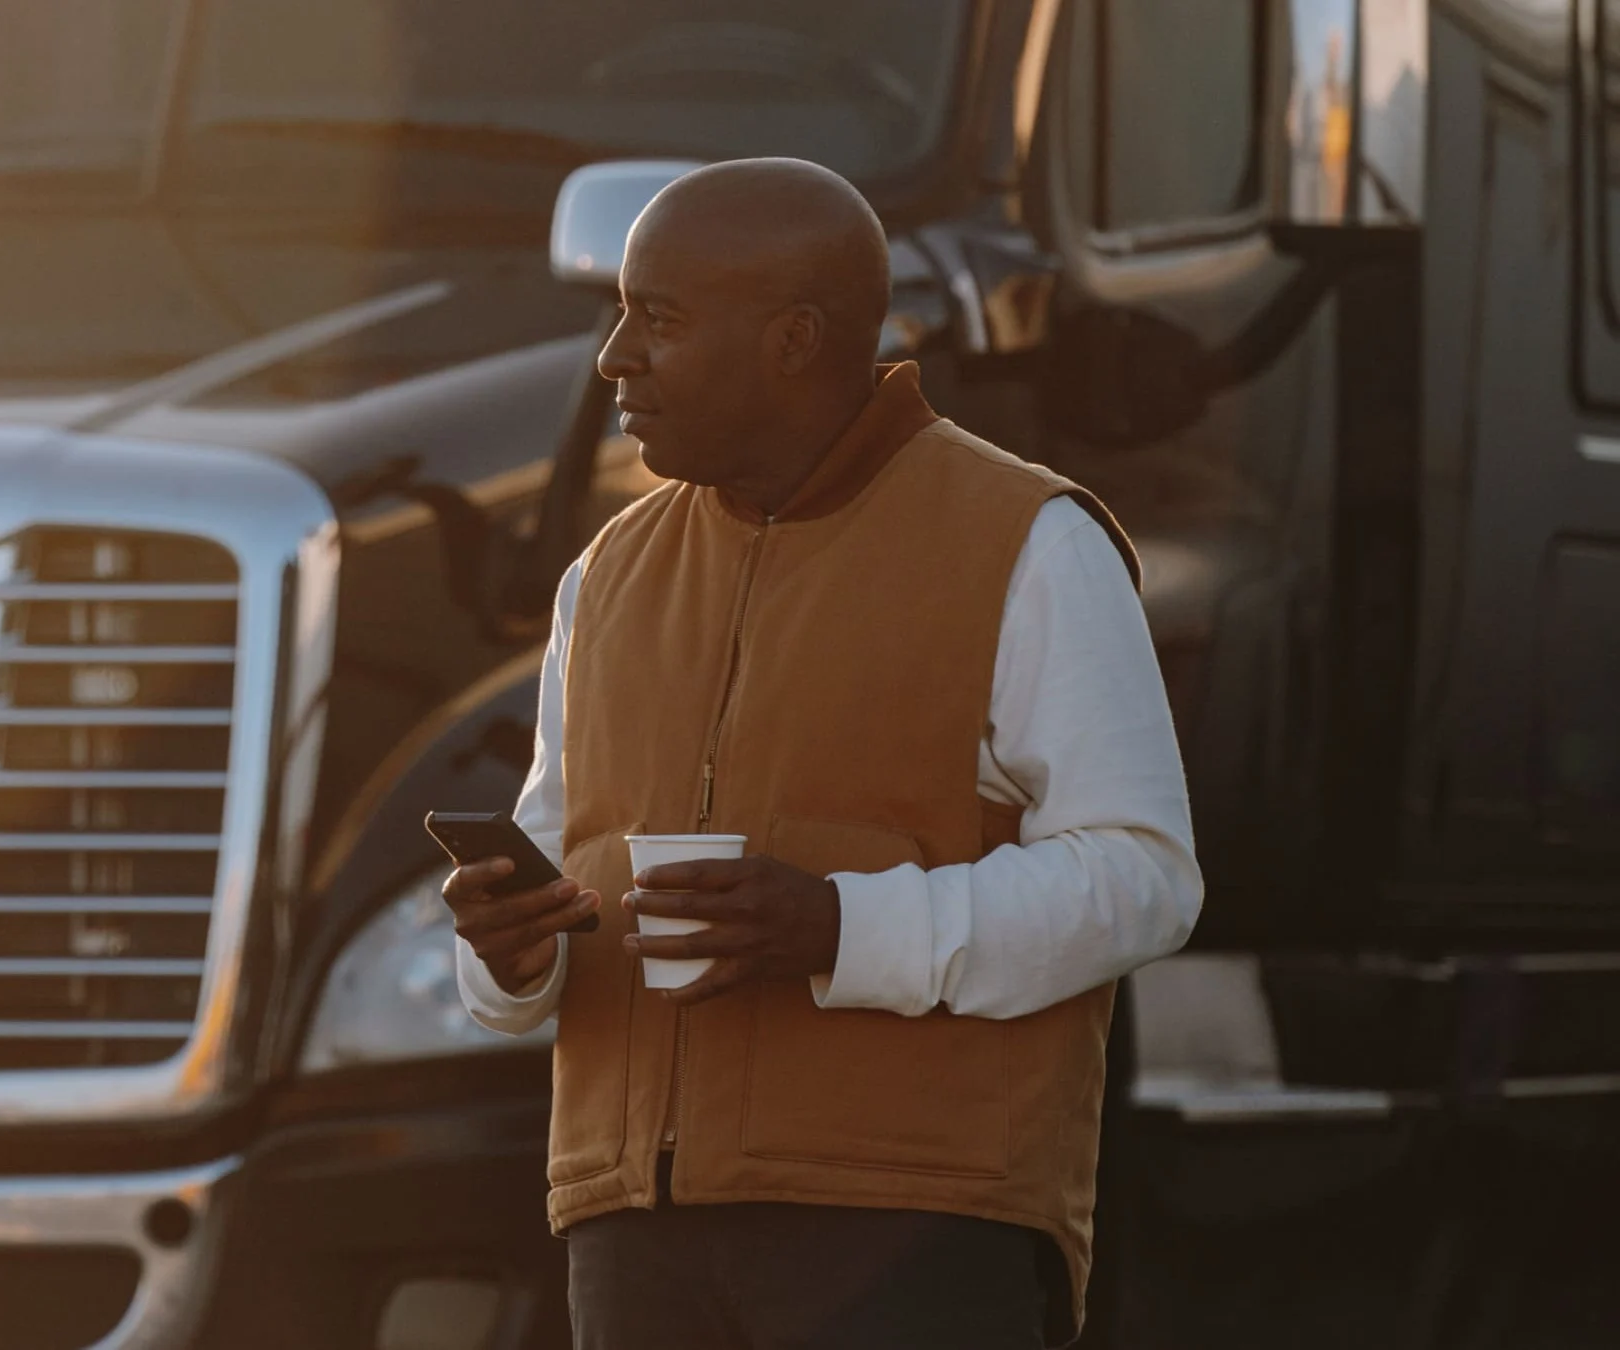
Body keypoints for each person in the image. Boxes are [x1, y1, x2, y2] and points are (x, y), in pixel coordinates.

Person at [442, 159, 1201, 1349]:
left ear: (794, 339)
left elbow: (1145, 880)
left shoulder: (1030, 543)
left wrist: (842, 929)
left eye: (662, 319)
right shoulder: (605, 577)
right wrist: (506, 950)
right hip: (631, 1232)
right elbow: (553, 882)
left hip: (913, 1231)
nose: (614, 360)